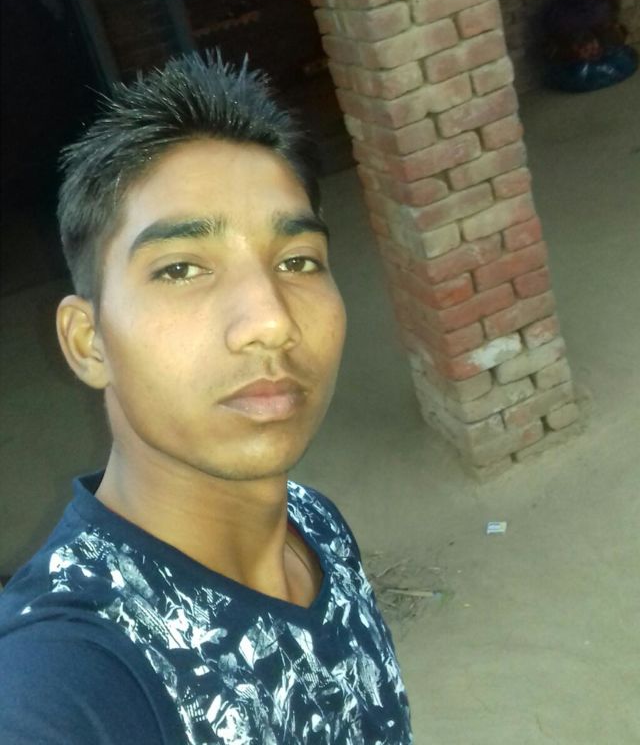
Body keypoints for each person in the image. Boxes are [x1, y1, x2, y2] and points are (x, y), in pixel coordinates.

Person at [0, 51, 413, 743]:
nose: (271, 320)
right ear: (88, 342)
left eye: (298, 261)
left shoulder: (316, 527)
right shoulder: (63, 674)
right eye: (182, 268)